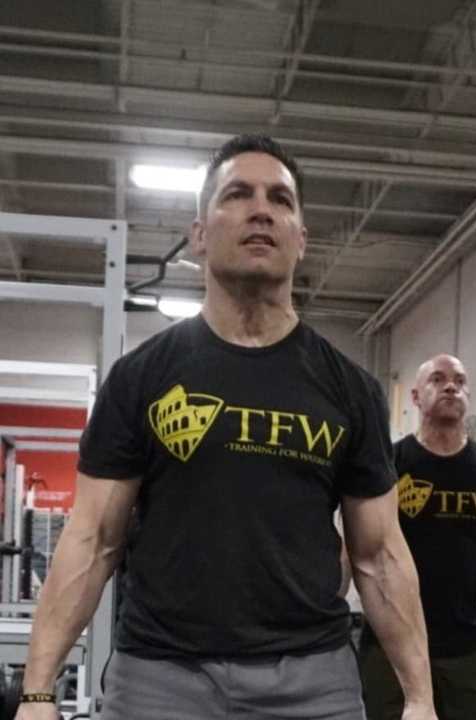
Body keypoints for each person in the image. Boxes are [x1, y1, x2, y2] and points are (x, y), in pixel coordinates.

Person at [17, 135, 438, 720]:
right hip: (161, 680)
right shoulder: (141, 377)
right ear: (199, 234)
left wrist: (420, 698)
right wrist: (38, 693)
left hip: (312, 683)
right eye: (237, 194)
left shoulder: (350, 389)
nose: (260, 209)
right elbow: (93, 539)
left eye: (280, 200)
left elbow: (380, 555)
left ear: (301, 239)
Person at [359, 354, 476, 720]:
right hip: (391, 644)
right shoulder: (388, 466)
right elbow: (359, 554)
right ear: (415, 397)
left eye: (459, 380)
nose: (450, 386)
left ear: (468, 395)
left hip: (466, 644)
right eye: (438, 379)